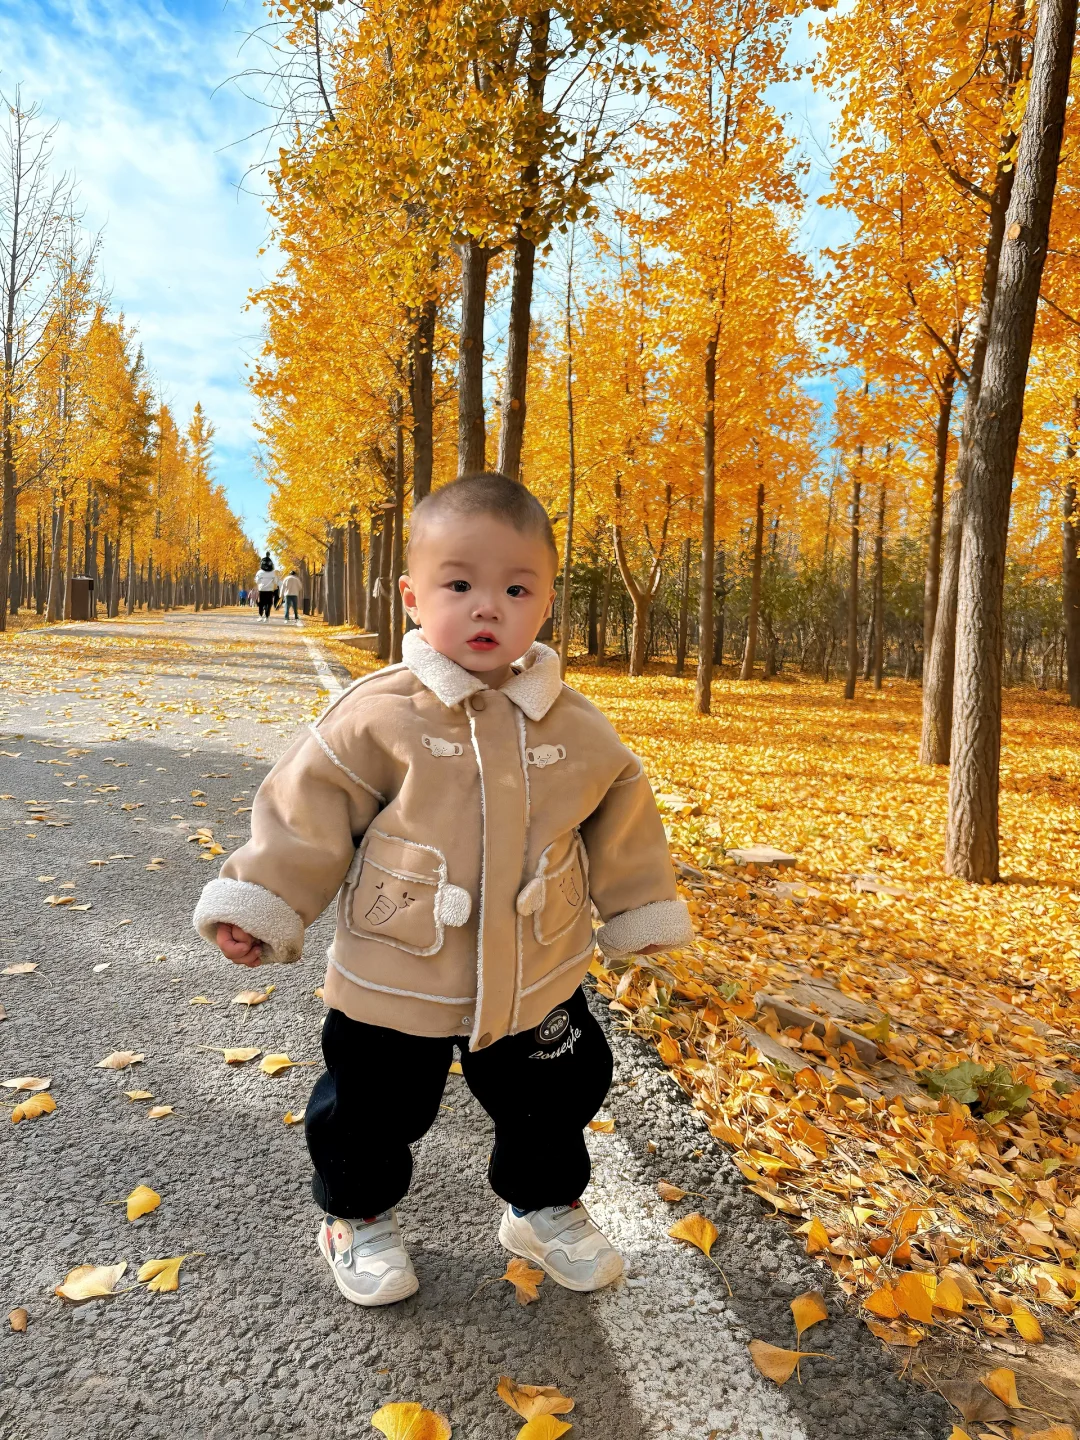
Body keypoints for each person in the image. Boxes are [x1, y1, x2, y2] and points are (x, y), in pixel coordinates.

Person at [193, 473, 692, 1308]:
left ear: (546, 603)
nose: (487, 606)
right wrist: (262, 902)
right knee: (369, 1106)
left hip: (537, 973)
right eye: (459, 585)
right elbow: (305, 816)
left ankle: (541, 1206)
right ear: (413, 596)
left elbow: (622, 820)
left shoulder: (576, 726)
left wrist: (637, 908)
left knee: (556, 1094)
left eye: (516, 589)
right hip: (398, 969)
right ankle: (355, 1215)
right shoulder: (378, 715)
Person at [253, 554, 279, 621]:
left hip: (262, 589)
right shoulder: (273, 573)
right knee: (269, 603)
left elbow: (257, 581)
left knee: (261, 603)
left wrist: (261, 582)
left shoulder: (259, 572)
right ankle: (267, 617)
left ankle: (260, 616)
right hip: (270, 590)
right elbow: (275, 581)